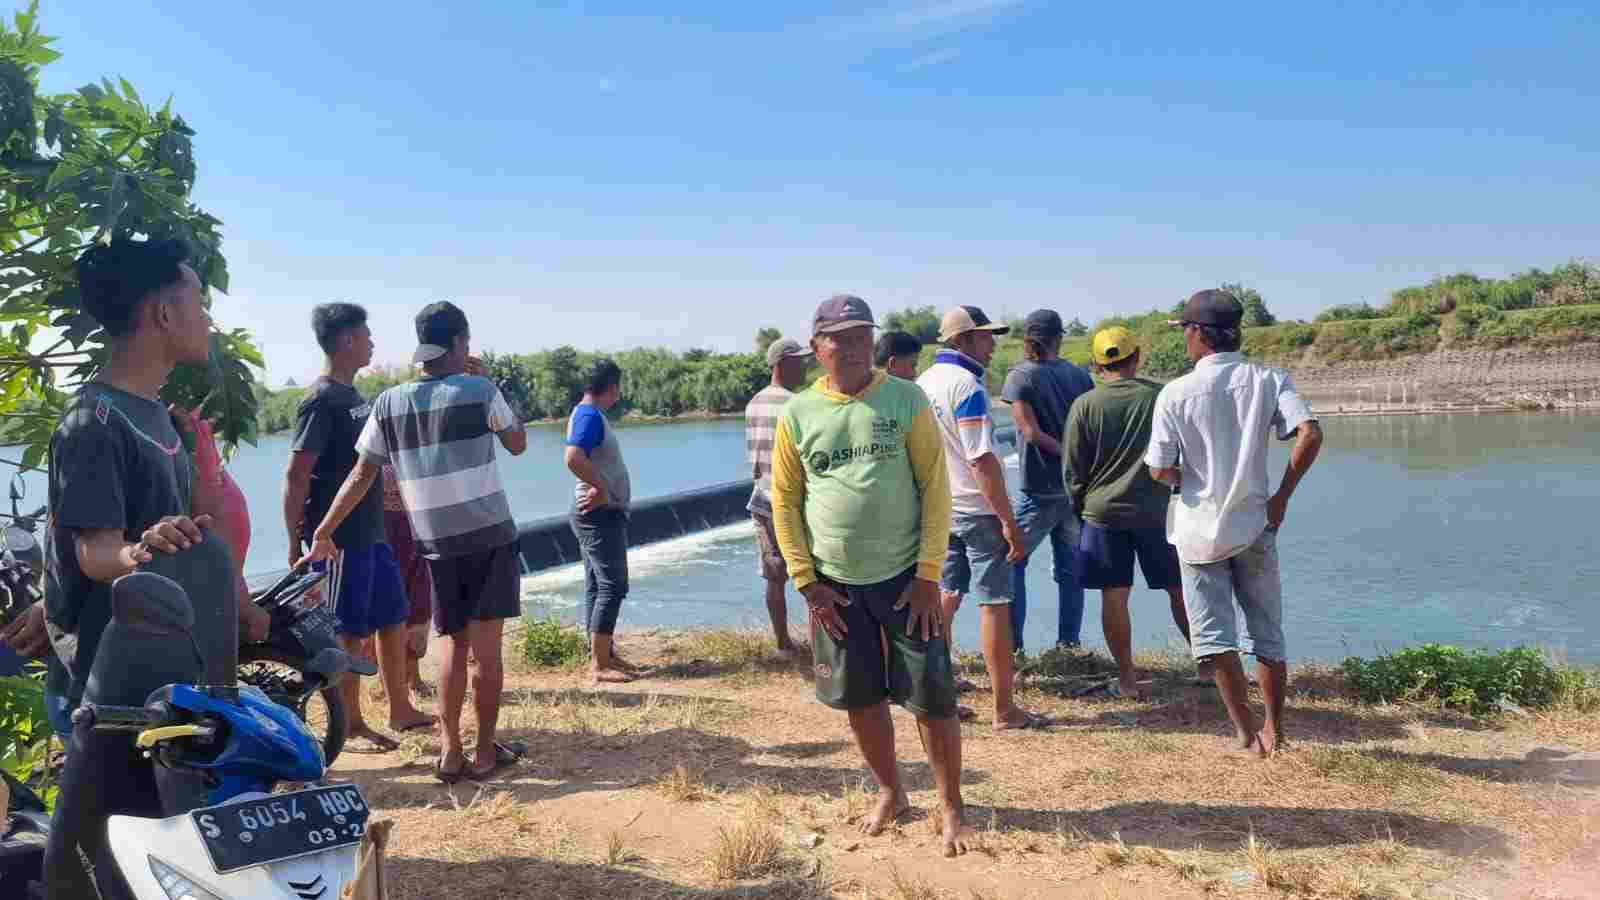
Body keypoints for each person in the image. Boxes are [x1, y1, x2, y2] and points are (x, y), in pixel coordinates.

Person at [770, 294, 972, 857]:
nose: (855, 347)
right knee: (860, 696)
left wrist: (929, 572)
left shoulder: (906, 400)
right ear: (817, 349)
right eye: (841, 337)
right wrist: (806, 581)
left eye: (863, 336)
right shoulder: (798, 414)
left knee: (933, 697)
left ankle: (951, 803)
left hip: (909, 578)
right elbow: (785, 501)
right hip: (834, 585)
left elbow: (936, 486)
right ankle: (891, 791)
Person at [38, 239, 263, 737]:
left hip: (162, 674)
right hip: (107, 692)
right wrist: (141, 551)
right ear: (164, 312)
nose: (207, 319)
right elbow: (94, 552)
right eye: (199, 302)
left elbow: (181, 534)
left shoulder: (155, 413)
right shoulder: (91, 422)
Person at [301, 301, 529, 783]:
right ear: (461, 343)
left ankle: (449, 752)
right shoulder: (480, 389)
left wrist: (323, 528)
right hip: (488, 535)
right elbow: (517, 442)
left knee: (451, 643)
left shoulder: (388, 402)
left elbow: (362, 474)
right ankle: (485, 753)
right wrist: (490, 383)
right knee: (487, 651)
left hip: (436, 543)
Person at [1146, 289, 1323, 757]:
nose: (1184, 339)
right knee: (1267, 632)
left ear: (1198, 334)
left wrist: (1184, 475)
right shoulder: (1267, 379)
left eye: (1185, 330)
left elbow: (1159, 468)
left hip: (1198, 531)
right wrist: (1281, 497)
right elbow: (1309, 432)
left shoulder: (1175, 393)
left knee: (1214, 637)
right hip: (1255, 524)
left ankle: (1245, 734)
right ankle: (1276, 730)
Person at [284, 303, 432, 752]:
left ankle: (400, 708)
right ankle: (349, 723)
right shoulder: (320, 399)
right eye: (366, 335)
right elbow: (296, 475)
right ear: (346, 340)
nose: (372, 342)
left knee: (393, 616)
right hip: (340, 539)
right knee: (349, 630)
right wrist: (296, 539)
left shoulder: (354, 396)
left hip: (373, 531)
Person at [918, 306, 1040, 731]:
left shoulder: (921, 385)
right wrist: (1007, 520)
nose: (993, 344)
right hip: (976, 509)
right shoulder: (967, 387)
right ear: (963, 341)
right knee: (996, 605)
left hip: (939, 509)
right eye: (986, 337)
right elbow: (982, 459)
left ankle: (938, 693)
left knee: (945, 598)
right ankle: (1004, 709)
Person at [1067, 327, 1191, 698]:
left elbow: (1074, 471)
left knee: (1114, 595)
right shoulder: (1160, 396)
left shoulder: (1084, 405)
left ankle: (1127, 679)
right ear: (1137, 357)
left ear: (1096, 364)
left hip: (1103, 515)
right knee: (1181, 590)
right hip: (1156, 511)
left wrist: (1081, 510)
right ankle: (1211, 666)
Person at [999, 309, 1094, 654]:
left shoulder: (1020, 376)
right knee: (1070, 570)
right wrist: (1077, 460)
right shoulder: (1080, 376)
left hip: (1039, 489)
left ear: (1028, 339)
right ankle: (1068, 644)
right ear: (1060, 337)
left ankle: (1013, 649)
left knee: (1010, 560)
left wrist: (1063, 453)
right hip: (1075, 489)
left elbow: (1030, 432)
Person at [564, 358, 641, 685]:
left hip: (597, 514)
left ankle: (604, 653)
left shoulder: (589, 414)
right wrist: (602, 488)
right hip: (598, 515)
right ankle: (599, 664)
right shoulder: (589, 415)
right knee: (613, 585)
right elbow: (573, 457)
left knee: (598, 585)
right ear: (611, 387)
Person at [743, 337, 813, 655]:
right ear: (782, 364)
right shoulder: (797, 404)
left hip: (762, 498)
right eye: (800, 361)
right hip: (794, 502)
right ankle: (822, 646)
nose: (806, 366)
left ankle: (782, 643)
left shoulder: (754, 403)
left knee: (774, 576)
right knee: (813, 576)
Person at [382, 463, 435, 698]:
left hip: (420, 523)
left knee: (419, 602)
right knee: (389, 606)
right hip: (384, 527)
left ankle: (413, 677)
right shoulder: (367, 438)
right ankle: (391, 683)